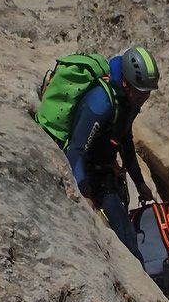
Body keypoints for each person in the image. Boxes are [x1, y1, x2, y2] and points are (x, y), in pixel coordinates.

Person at [64, 47, 159, 264]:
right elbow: (77, 149)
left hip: (107, 175)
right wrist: (84, 193)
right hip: (88, 175)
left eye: (148, 92)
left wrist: (140, 182)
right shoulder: (101, 103)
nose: (146, 97)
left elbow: (125, 140)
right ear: (126, 82)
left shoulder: (129, 101)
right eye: (142, 91)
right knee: (128, 247)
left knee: (129, 240)